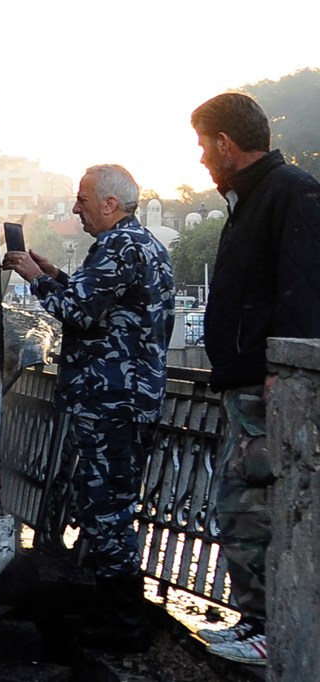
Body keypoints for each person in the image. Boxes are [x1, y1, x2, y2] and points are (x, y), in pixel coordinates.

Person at [2, 164, 175, 653]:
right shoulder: (141, 246)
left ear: (109, 204)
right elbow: (95, 301)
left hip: (111, 404)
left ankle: (126, 625)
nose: (76, 208)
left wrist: (34, 278)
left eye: (82, 199)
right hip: (126, 402)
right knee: (107, 507)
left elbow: (77, 312)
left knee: (108, 512)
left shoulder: (120, 247)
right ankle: (114, 614)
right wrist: (54, 273)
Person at [190, 92, 320, 666]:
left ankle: (270, 628)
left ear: (225, 143)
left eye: (202, 144)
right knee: (238, 506)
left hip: (263, 385)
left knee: (253, 507)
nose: (199, 159)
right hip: (242, 382)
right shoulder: (253, 198)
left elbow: (304, 286)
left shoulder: (289, 192)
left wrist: (278, 374)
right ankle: (255, 621)